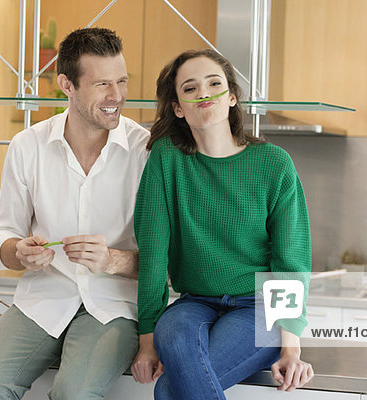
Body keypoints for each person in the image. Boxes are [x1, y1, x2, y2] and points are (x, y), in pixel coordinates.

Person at [0, 27, 149, 400]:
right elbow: (0, 235)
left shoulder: (146, 152)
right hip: (43, 299)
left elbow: (167, 260)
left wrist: (113, 260)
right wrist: (18, 251)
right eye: (102, 85)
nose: (117, 97)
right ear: (67, 84)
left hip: (114, 306)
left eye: (122, 81)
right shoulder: (27, 146)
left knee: (73, 395)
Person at [130, 49, 314, 399]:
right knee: (173, 334)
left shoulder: (273, 164)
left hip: (259, 309)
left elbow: (290, 261)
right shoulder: (166, 160)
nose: (204, 92)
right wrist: (146, 342)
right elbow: (153, 256)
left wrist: (291, 347)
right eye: (190, 87)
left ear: (231, 97)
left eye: (214, 83)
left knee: (169, 390)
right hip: (192, 303)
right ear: (178, 108)